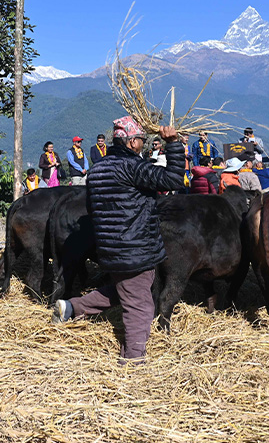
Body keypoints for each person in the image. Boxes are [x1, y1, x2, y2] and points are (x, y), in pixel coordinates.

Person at [52, 116, 185, 363]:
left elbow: (93, 208)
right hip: (136, 248)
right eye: (142, 141)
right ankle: (133, 360)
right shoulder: (133, 167)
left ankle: (71, 308)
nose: (144, 145)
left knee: (124, 290)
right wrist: (173, 144)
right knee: (140, 306)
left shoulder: (98, 169)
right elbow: (174, 180)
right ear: (132, 141)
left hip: (110, 249)